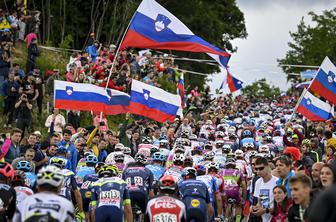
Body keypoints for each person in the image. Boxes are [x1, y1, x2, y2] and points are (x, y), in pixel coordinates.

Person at [251, 157, 278, 222]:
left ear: (267, 167)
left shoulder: (277, 182)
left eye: (261, 168)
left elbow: (280, 206)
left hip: (274, 218)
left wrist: (266, 210)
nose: (258, 171)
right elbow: (259, 202)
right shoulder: (258, 182)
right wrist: (254, 208)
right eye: (256, 169)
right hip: (263, 218)